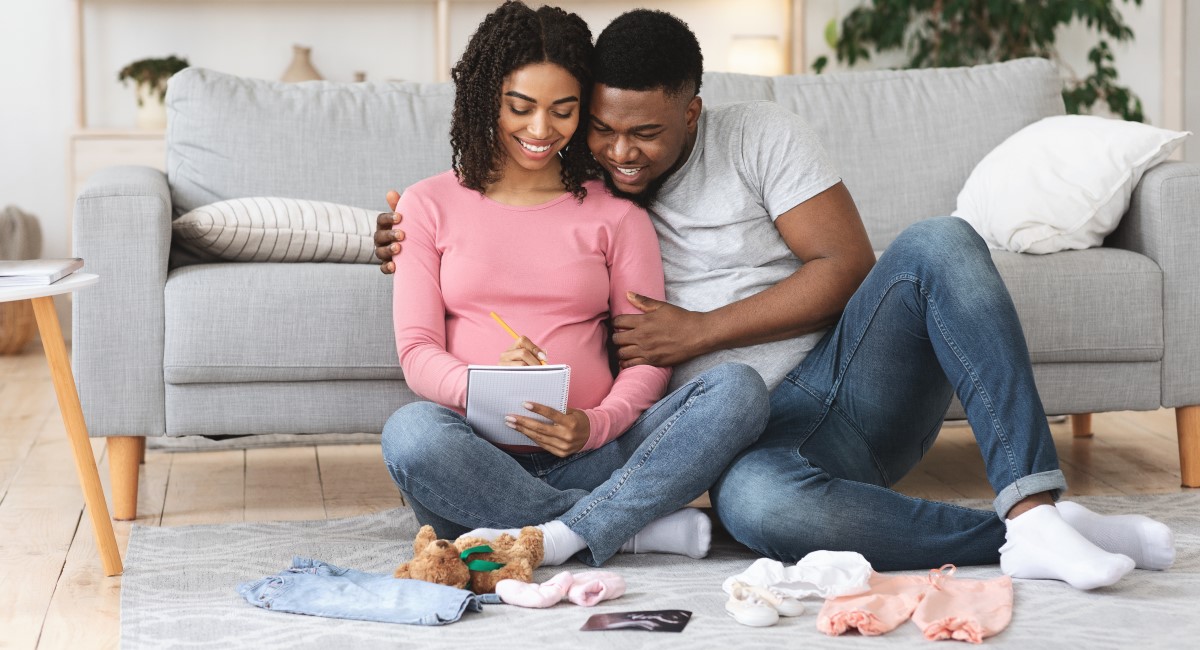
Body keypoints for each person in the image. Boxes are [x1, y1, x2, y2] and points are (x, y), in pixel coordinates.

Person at [378, 9, 1175, 589]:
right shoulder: (589, 182)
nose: (622, 151)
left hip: (842, 384)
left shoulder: (750, 139)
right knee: (757, 512)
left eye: (646, 133)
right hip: (751, 446)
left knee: (939, 242)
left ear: (691, 111)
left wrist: (696, 333)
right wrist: (393, 235)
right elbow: (491, 215)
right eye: (602, 129)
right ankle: (1021, 537)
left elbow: (848, 264)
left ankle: (1034, 503)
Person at [380, 1, 768, 570]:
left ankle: (547, 529)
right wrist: (484, 385)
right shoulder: (427, 204)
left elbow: (648, 361)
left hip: (599, 454)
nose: (541, 131)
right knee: (410, 434)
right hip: (476, 460)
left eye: (563, 111)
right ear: (488, 97)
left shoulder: (618, 215)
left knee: (738, 390)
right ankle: (617, 526)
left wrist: (593, 425)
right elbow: (416, 353)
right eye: (521, 107)